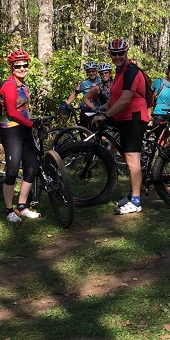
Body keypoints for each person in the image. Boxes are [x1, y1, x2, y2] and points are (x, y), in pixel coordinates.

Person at [95, 39, 149, 215]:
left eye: (121, 53)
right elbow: (116, 97)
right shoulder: (120, 72)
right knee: (128, 159)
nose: (117, 56)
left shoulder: (131, 71)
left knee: (133, 160)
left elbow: (125, 99)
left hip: (134, 117)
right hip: (125, 119)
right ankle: (132, 193)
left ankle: (136, 202)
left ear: (126, 53)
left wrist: (106, 114)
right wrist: (105, 106)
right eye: (114, 54)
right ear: (110, 54)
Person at [0, 50, 40, 222]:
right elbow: (12, 112)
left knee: (32, 168)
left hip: (24, 129)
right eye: (18, 66)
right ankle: (8, 210)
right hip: (12, 130)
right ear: (11, 67)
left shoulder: (22, 85)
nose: (22, 68)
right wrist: (30, 123)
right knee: (13, 170)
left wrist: (29, 124)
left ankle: (21, 206)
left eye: (25, 65)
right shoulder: (9, 85)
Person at [63, 62, 100, 128]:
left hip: (99, 109)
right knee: (88, 132)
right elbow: (75, 93)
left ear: (96, 71)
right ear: (86, 73)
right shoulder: (83, 83)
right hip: (86, 110)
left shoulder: (101, 81)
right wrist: (67, 103)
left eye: (93, 71)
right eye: (89, 72)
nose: (91, 73)